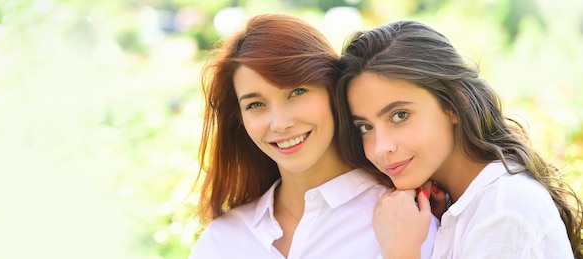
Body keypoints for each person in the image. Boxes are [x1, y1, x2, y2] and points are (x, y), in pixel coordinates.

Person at [189, 14, 439, 258]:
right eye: (255, 105)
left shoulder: (405, 222)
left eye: (297, 91)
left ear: (332, 90)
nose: (280, 123)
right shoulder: (222, 240)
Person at [334, 19, 583, 258]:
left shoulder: (504, 210)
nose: (381, 147)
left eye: (400, 115)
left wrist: (400, 254)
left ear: (454, 104)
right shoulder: (457, 205)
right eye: (365, 127)